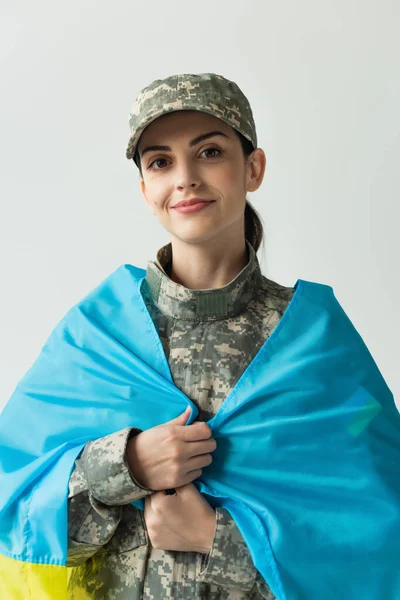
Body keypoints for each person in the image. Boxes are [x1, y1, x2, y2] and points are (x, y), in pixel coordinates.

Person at [66, 72, 290, 599]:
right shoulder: (99, 335)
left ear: (252, 168)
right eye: (161, 162)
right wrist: (126, 465)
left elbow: (371, 547)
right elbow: (24, 528)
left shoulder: (308, 339)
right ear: (146, 189)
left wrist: (216, 539)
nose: (185, 178)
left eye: (210, 152)